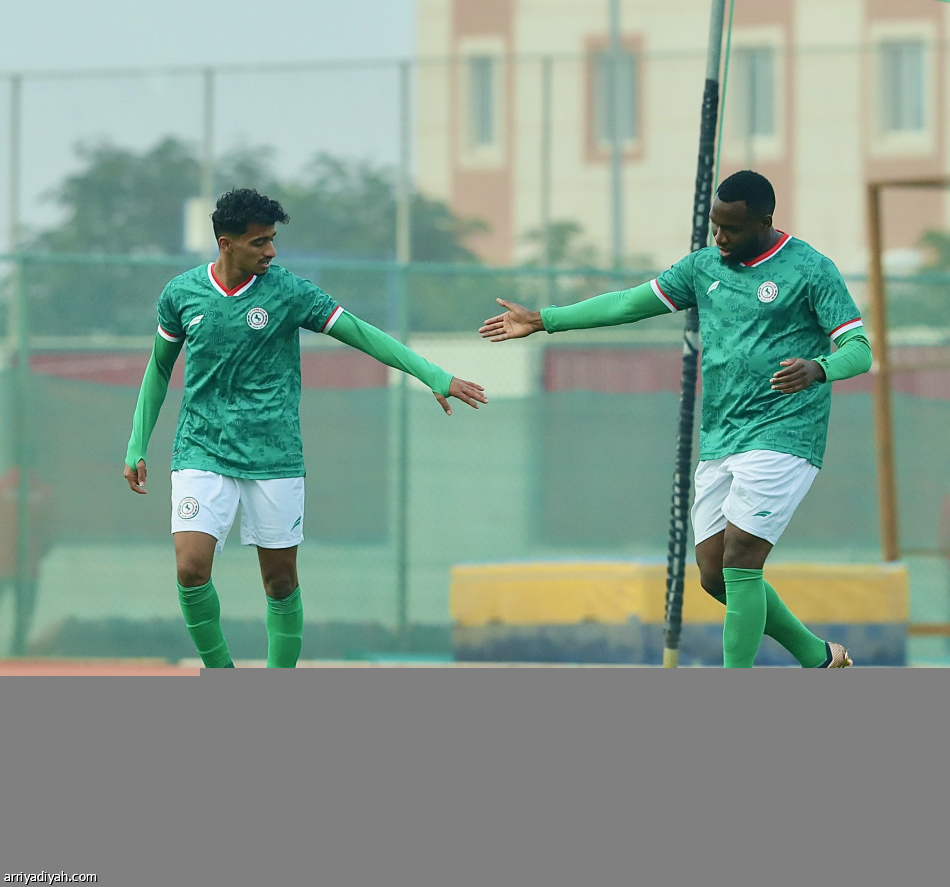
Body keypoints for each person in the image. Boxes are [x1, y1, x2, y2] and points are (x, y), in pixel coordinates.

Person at [479, 170, 871, 668]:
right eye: (715, 225)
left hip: (786, 434)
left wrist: (819, 368)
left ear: (765, 221)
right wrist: (542, 319)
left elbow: (860, 351)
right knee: (712, 573)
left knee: (742, 559)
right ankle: (817, 656)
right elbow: (627, 304)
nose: (720, 237)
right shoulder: (703, 267)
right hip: (722, 436)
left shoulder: (811, 269)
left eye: (731, 228)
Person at [124, 187, 487, 668]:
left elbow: (361, 333)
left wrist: (434, 375)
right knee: (191, 570)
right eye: (259, 242)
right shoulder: (182, 294)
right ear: (226, 242)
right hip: (201, 450)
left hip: (274, 456)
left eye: (273, 240)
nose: (271, 251)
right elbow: (158, 369)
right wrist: (136, 444)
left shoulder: (289, 292)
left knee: (279, 582)